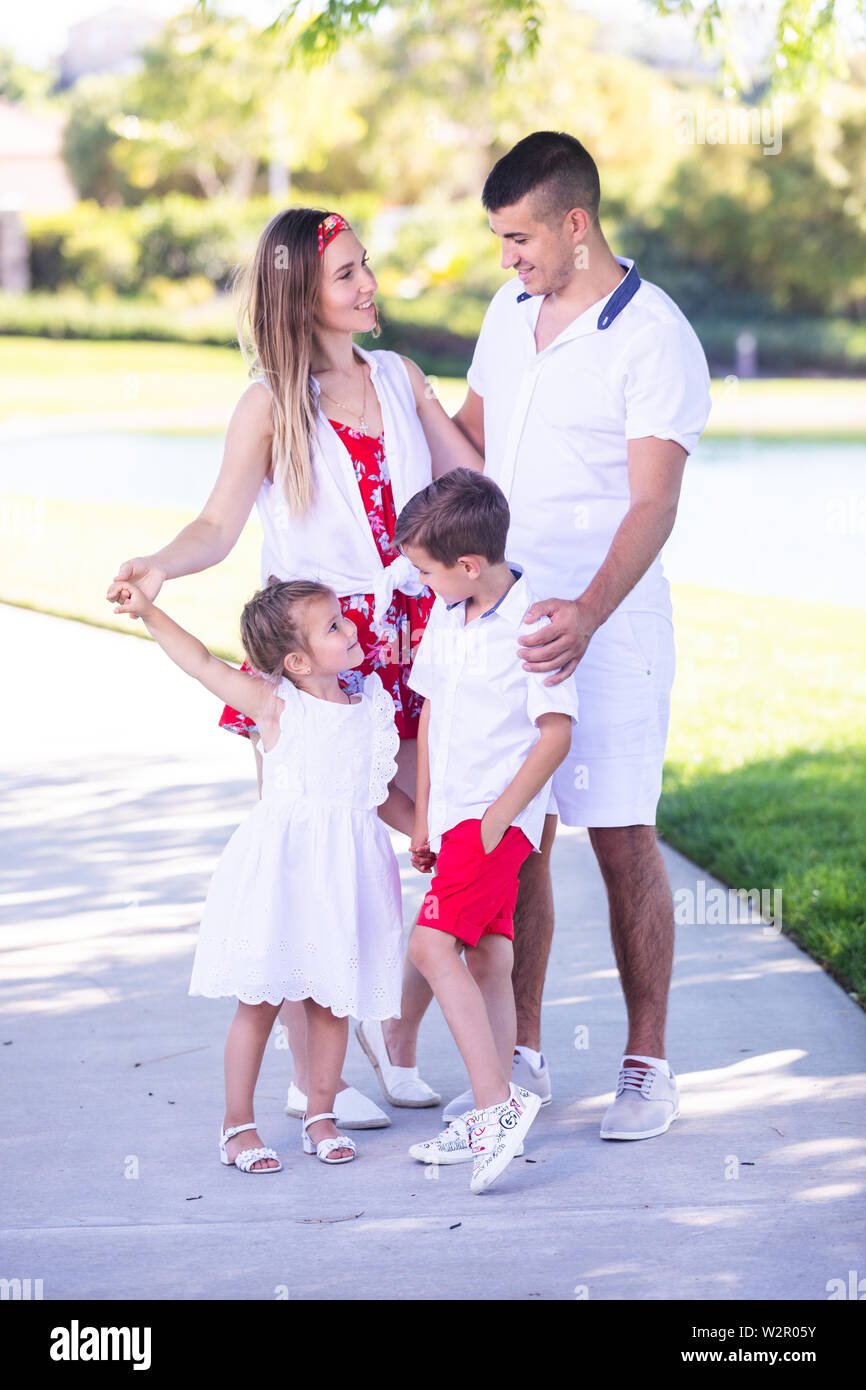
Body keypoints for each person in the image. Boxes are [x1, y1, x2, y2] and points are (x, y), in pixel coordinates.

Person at [106, 207, 483, 1127]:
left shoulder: (397, 377)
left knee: (431, 841)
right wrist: (161, 564)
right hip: (314, 656)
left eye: (366, 267)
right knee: (314, 852)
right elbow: (218, 525)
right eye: (345, 276)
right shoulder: (272, 405)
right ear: (300, 297)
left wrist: (444, 401)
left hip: (406, 639)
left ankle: (387, 1041)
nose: (368, 286)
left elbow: (475, 489)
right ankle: (315, 1080)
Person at [441, 131, 712, 1139]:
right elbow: (467, 444)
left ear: (574, 223)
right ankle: (522, 1055)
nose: (506, 258)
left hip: (611, 622)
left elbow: (651, 504)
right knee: (518, 842)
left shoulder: (653, 337)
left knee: (620, 836)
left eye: (518, 238)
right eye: (499, 240)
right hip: (507, 619)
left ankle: (646, 1066)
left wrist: (588, 615)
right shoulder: (506, 315)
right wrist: (390, 392)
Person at [112, 574, 416, 1168]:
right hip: (285, 876)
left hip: (347, 877)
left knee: (333, 1001)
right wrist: (150, 611)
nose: (349, 626)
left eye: (342, 618)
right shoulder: (278, 707)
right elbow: (202, 663)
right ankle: (236, 1126)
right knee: (262, 1002)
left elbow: (379, 795)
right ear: (298, 661)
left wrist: (425, 834)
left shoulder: (371, 706)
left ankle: (320, 1116)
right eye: (333, 626)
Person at [394, 470, 579, 1193]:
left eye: (424, 569)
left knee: (431, 945)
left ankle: (494, 1109)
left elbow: (556, 734)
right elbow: (434, 714)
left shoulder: (535, 623)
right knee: (489, 962)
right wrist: (424, 814)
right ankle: (492, 1103)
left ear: (468, 564)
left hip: (493, 821)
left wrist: (500, 817)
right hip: (455, 819)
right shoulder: (450, 615)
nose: (420, 580)